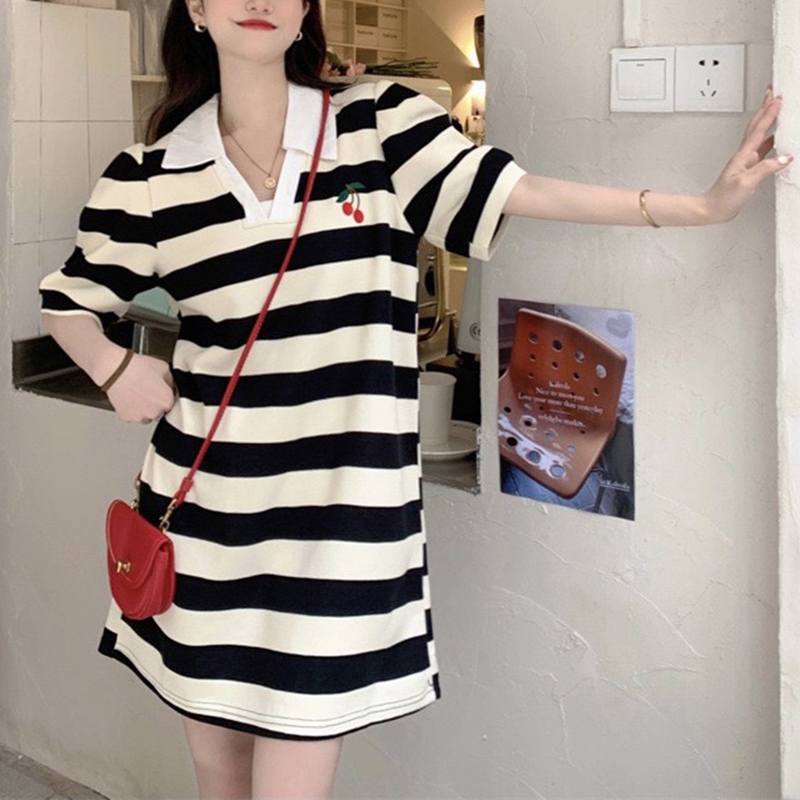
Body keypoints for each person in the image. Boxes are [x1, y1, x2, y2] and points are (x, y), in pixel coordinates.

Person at [38, 0, 790, 797]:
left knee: (292, 778)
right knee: (218, 767)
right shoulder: (151, 175)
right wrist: (114, 369)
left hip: (337, 530)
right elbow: (67, 301)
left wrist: (699, 207)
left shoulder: (377, 126)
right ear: (195, 6)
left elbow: (524, 192)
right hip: (203, 521)